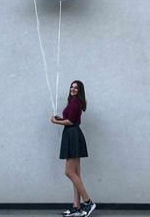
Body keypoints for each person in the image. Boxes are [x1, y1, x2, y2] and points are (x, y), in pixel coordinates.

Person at [50, 80, 96, 217]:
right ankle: (76, 207)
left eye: (76, 87)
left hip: (73, 136)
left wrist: (56, 121)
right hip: (72, 136)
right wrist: (60, 118)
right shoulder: (73, 102)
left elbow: (70, 122)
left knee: (69, 172)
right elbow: (69, 118)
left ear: (80, 90)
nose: (73, 89)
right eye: (72, 86)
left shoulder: (75, 103)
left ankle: (88, 203)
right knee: (75, 173)